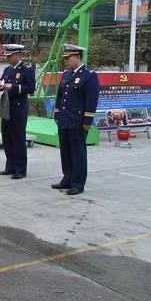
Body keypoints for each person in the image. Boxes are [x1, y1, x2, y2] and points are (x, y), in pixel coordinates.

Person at [51, 44, 101, 195]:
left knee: (78, 153)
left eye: (69, 58)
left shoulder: (89, 76)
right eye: (65, 58)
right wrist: (57, 114)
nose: (66, 61)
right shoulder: (66, 75)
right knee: (65, 151)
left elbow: (91, 100)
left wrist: (87, 121)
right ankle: (67, 178)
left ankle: (78, 183)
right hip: (64, 119)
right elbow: (60, 96)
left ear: (77, 57)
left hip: (78, 121)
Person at [0, 44, 36, 179]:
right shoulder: (7, 69)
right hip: (7, 107)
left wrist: (13, 87)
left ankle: (20, 169)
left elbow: (31, 88)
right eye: (7, 56)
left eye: (10, 56)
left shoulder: (27, 70)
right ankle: (10, 167)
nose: (8, 58)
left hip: (19, 108)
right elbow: (2, 82)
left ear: (19, 55)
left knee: (18, 139)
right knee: (7, 138)